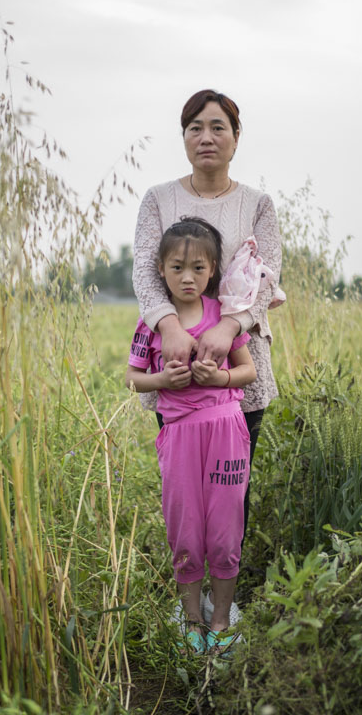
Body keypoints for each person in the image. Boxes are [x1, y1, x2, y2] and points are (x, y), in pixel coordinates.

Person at [132, 89, 283, 608]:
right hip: (175, 368)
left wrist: (229, 328)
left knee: (229, 495)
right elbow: (145, 274)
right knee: (185, 498)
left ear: (236, 139)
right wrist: (170, 329)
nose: (206, 137)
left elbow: (267, 279)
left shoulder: (258, 205)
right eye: (195, 127)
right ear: (184, 138)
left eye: (218, 127)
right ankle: (189, 605)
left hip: (239, 366)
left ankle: (225, 606)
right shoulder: (158, 200)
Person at [125, 217, 256, 654]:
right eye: (177, 268)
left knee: (224, 528)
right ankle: (191, 620)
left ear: (213, 271)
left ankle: (221, 618)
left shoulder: (224, 318)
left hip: (226, 429)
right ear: (160, 270)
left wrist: (218, 380)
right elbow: (132, 378)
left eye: (198, 268)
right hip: (179, 434)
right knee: (185, 530)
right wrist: (165, 381)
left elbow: (247, 371)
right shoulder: (152, 325)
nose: (188, 277)